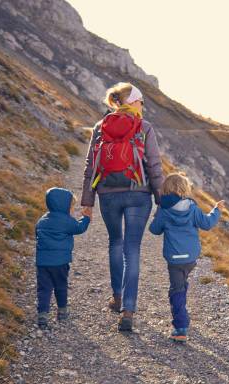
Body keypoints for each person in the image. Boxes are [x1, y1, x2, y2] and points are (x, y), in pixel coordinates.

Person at [81, 82, 163, 331]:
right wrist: (161, 199)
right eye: (141, 101)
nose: (143, 106)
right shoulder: (144, 127)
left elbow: (89, 166)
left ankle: (117, 297)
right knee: (132, 249)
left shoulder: (100, 127)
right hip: (138, 194)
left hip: (107, 194)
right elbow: (154, 166)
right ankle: (128, 310)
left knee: (115, 242)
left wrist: (87, 202)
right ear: (134, 102)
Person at [149, 173, 224, 342]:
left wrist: (157, 214)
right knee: (181, 285)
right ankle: (182, 313)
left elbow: (154, 229)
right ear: (184, 189)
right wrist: (216, 210)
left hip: (174, 259)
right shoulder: (192, 208)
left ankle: (181, 327)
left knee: (176, 289)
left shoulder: (164, 210)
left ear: (166, 189)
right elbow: (207, 224)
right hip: (190, 258)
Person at [35, 187, 91, 328]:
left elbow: (36, 233)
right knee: (61, 286)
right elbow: (79, 228)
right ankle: (62, 311)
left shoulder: (42, 220)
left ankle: (42, 314)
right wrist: (86, 218)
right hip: (60, 262)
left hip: (42, 262)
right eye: (71, 206)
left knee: (44, 288)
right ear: (65, 206)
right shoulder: (67, 221)